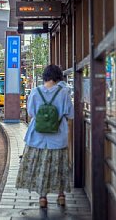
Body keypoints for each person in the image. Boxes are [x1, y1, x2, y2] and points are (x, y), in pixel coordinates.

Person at [16, 64, 74, 209]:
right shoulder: (64, 92)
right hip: (58, 138)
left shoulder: (35, 92)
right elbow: (70, 115)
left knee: (41, 168)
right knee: (59, 167)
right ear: (58, 77)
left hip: (37, 139)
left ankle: (42, 198)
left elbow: (30, 113)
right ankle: (61, 196)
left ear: (45, 77)